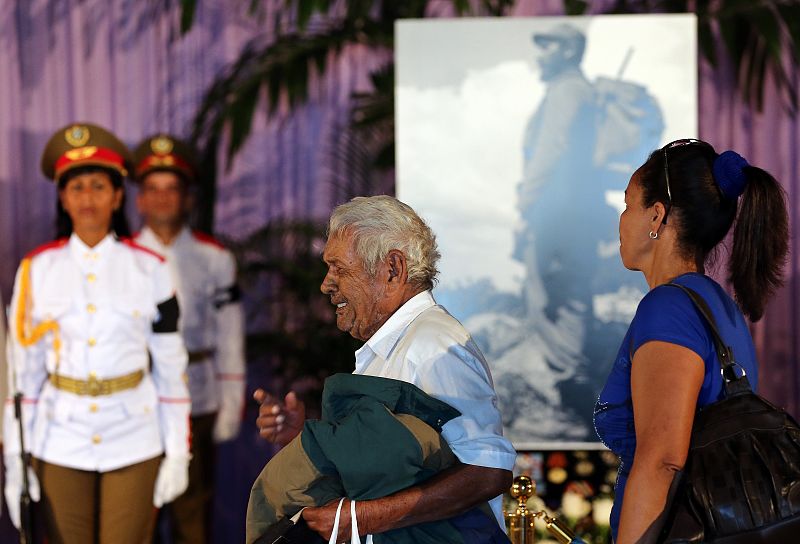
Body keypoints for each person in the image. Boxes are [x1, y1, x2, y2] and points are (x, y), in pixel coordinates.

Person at [254, 195, 516, 541]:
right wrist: (303, 436)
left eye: (340, 269)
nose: (326, 284)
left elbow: (487, 471)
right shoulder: (395, 345)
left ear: (392, 269)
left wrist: (361, 518)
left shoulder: (432, 345)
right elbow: (392, 462)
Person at [3, 123, 191, 543]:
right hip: (58, 437)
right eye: (77, 188)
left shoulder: (151, 268)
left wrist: (178, 451)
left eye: (98, 186)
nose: (87, 198)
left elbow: (170, 366)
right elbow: (23, 375)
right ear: (63, 198)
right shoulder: (37, 270)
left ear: (118, 195)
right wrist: (16, 459)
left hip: (135, 435)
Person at [594, 139, 789, 543]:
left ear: (657, 215)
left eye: (628, 204)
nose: (621, 220)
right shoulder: (718, 306)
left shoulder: (668, 308)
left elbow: (662, 461)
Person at [132, 134, 246, 543]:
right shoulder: (122, 257)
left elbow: (230, 335)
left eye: (172, 189)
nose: (162, 199)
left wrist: (231, 402)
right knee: (135, 513)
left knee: (192, 510)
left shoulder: (214, 258)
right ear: (139, 200)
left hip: (197, 396)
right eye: (153, 190)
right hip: (134, 401)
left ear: (187, 198)